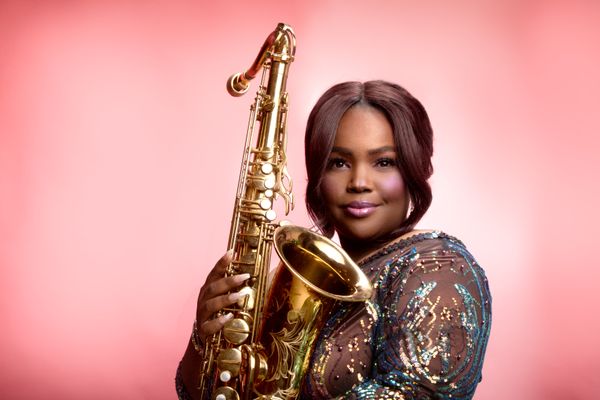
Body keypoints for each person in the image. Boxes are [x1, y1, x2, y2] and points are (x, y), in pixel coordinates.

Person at [176, 80, 492, 399]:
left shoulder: (439, 268)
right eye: (338, 163)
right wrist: (206, 340)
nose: (359, 182)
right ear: (317, 175)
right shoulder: (289, 278)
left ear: (414, 169)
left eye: (384, 162)